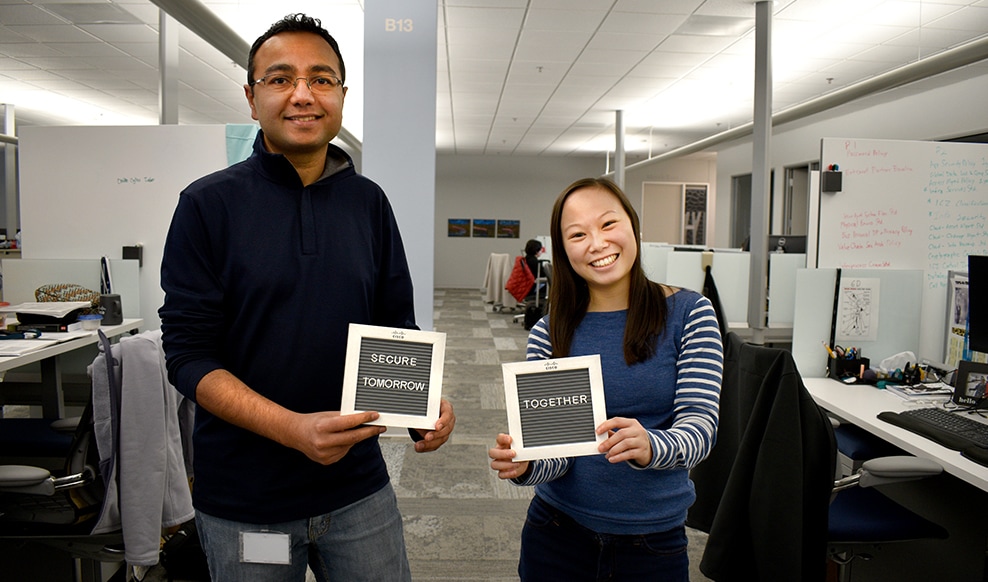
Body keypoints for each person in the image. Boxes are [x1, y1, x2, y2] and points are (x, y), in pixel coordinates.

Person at [158, 13, 455, 582]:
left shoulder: (369, 203)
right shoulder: (206, 206)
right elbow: (188, 357)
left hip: (358, 489)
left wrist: (422, 405)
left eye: (321, 79)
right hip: (247, 500)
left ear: (342, 95)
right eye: (279, 79)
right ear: (251, 98)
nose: (302, 95)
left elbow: (396, 324)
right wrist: (292, 429)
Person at [489, 177, 723, 581]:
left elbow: (701, 428)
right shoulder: (551, 330)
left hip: (651, 542)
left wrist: (652, 444)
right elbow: (558, 453)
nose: (597, 243)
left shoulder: (690, 313)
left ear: (634, 228)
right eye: (578, 234)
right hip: (556, 533)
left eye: (609, 224)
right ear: (563, 250)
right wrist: (528, 463)